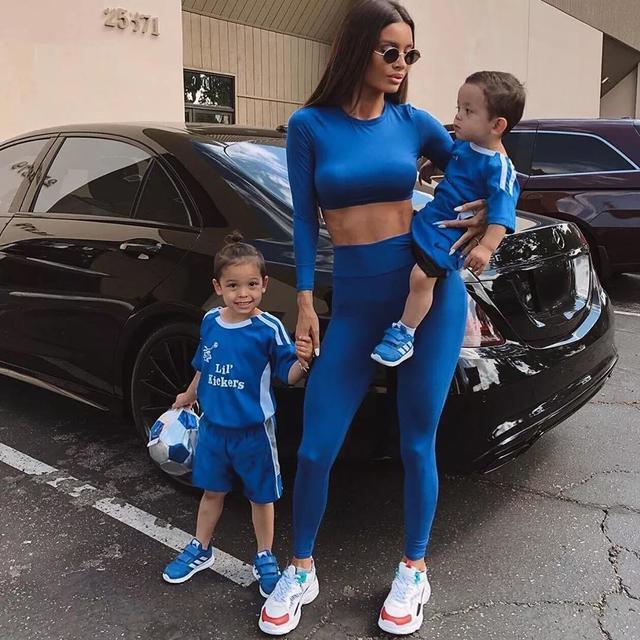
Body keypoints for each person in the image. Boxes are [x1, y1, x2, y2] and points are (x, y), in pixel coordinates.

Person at [259, 1, 488, 636]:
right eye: (390, 50)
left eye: (410, 53)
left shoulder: (414, 123)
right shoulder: (310, 125)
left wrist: (490, 215)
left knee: (416, 441)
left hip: (427, 298)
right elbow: (303, 219)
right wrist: (305, 301)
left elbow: (487, 164)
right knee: (315, 447)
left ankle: (414, 568)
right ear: (355, 49)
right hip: (357, 304)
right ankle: (301, 568)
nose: (401, 63)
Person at [162, 232, 313, 598]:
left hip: (254, 433)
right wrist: (189, 394)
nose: (243, 293)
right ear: (218, 287)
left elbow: (287, 374)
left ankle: (264, 556)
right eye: (233, 285)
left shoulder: (268, 328)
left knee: (261, 498)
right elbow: (204, 365)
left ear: (264, 284)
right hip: (213, 429)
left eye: (251, 285)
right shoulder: (211, 321)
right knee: (212, 492)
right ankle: (201, 548)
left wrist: (304, 363)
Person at [371, 71, 525, 366]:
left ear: (497, 125)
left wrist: (485, 248)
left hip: (452, 237)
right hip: (431, 220)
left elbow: (502, 215)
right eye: (458, 107)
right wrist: (432, 164)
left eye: (468, 111)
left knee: (422, 277)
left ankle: (405, 333)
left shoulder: (499, 168)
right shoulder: (466, 145)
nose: (458, 116)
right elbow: (453, 158)